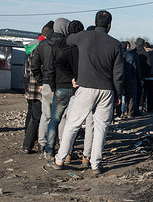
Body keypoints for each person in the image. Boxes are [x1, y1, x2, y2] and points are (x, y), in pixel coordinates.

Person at [50, 10, 123, 174]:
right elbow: (118, 73)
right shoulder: (115, 44)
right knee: (100, 128)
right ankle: (95, 164)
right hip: (107, 90)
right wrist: (118, 94)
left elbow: (65, 41)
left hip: (86, 88)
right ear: (109, 25)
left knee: (72, 124)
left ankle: (60, 159)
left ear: (95, 22)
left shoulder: (83, 36)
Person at [45, 19, 83, 160]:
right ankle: (66, 151)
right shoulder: (76, 48)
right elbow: (78, 68)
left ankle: (49, 150)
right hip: (74, 88)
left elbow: (50, 69)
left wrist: (53, 87)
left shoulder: (56, 47)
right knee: (70, 122)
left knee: (54, 120)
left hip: (60, 87)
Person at [31, 19, 68, 154]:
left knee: (46, 115)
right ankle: (63, 146)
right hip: (62, 84)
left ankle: (42, 144)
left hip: (46, 84)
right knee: (62, 117)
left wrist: (41, 81)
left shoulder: (42, 45)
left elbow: (34, 66)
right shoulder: (66, 44)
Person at [22, 21, 54, 155]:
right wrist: (42, 82)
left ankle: (28, 140)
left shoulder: (31, 46)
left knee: (31, 114)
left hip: (30, 85)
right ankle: (28, 145)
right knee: (37, 117)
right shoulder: (42, 48)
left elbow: (28, 69)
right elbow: (38, 68)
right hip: (38, 87)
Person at [121, 41, 138, 117]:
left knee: (119, 95)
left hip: (120, 77)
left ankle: (119, 112)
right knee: (130, 96)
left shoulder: (118, 54)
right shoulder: (131, 55)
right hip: (129, 77)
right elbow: (134, 67)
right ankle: (129, 112)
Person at [134, 38, 146, 113]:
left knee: (133, 93)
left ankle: (130, 109)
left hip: (133, 75)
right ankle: (138, 108)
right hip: (141, 75)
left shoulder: (133, 52)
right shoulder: (144, 53)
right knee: (140, 93)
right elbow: (146, 66)